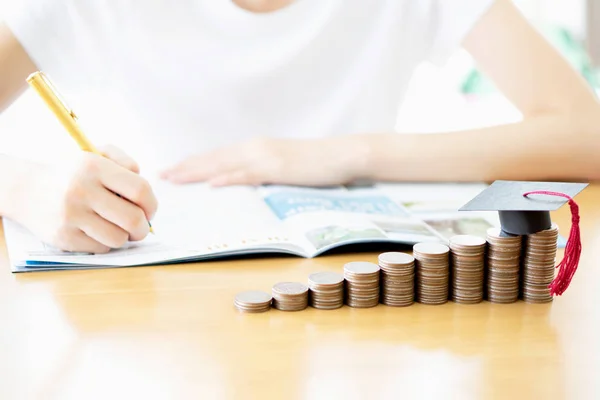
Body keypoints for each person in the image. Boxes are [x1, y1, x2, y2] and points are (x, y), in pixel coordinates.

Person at [0, 0, 599, 254]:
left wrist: (351, 153)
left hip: (352, 306)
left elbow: (587, 134)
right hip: (151, 303)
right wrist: (24, 187)